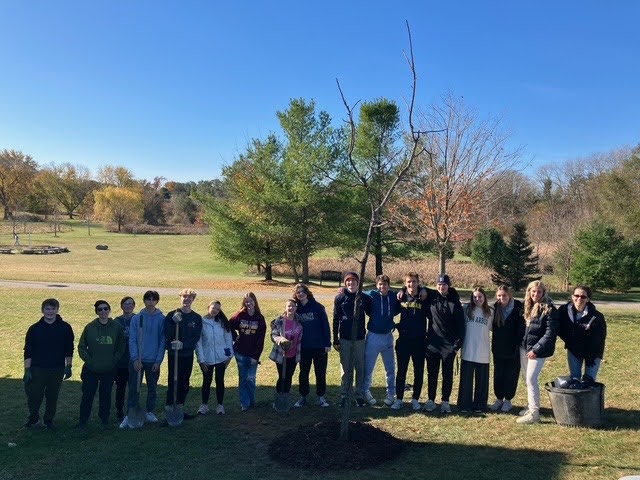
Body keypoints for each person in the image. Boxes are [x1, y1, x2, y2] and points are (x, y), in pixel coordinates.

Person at [23, 298, 74, 429]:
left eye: (53, 309)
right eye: (47, 309)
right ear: (42, 310)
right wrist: (27, 370)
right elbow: (28, 350)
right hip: (37, 368)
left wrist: (69, 365)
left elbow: (69, 348)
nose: (50, 312)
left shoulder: (65, 328)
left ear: (57, 310)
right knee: (34, 396)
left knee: (52, 396)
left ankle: (48, 420)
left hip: (57, 368)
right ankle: (33, 419)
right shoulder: (34, 329)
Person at [119, 290, 165, 429]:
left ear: (157, 301)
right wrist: (134, 358)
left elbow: (162, 340)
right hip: (138, 359)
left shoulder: (161, 319)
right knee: (134, 387)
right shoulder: (137, 318)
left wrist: (158, 360)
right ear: (144, 301)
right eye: (148, 300)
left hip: (153, 360)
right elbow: (132, 340)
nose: (150, 302)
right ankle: (130, 413)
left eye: (153, 300)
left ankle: (149, 411)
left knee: (152, 387)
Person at [78, 300, 125, 429]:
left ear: (109, 310)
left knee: (106, 395)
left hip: (109, 369)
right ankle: (83, 420)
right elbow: (82, 346)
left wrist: (114, 359)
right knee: (88, 395)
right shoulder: (90, 327)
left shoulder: (116, 327)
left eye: (105, 309)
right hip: (91, 369)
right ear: (96, 312)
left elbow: (121, 345)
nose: (103, 311)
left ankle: (104, 419)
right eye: (100, 309)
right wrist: (90, 360)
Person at [517, 280, 558, 424]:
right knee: (526, 379)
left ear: (544, 292)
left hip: (537, 351)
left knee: (531, 379)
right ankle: (530, 406)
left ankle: (534, 413)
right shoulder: (526, 306)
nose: (536, 294)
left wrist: (536, 349)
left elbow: (550, 333)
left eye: (539, 292)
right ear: (529, 292)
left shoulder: (549, 309)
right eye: (533, 291)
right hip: (524, 348)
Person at [424, 274, 465, 414]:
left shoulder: (455, 303)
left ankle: (445, 402)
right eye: (439, 284)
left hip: (448, 346)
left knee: (447, 374)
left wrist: (455, 347)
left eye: (444, 284)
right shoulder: (432, 297)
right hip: (433, 344)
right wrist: (404, 289)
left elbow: (461, 327)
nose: (441, 287)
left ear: (449, 285)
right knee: (432, 373)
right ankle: (430, 400)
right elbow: (417, 287)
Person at [333, 271, 372, 407]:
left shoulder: (363, 298)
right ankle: (345, 394)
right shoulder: (340, 298)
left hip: (360, 338)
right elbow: (335, 318)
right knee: (345, 367)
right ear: (345, 283)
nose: (351, 283)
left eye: (354, 281)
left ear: (358, 282)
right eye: (348, 281)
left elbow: (372, 311)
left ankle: (359, 394)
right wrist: (335, 338)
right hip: (344, 338)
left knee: (360, 366)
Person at [164, 288, 203, 420]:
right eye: (184, 297)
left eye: (189, 297)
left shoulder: (196, 318)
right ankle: (169, 410)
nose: (186, 299)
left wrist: (184, 345)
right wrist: (172, 322)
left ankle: (180, 408)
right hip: (174, 355)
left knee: (184, 382)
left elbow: (196, 337)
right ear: (180, 298)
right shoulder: (172, 315)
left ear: (193, 300)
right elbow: (166, 334)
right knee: (172, 381)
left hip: (187, 355)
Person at [391, 272, 428, 411]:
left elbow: (437, 291)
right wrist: (401, 290)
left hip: (419, 341)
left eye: (413, 281)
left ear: (418, 282)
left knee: (419, 371)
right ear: (405, 283)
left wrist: (424, 289)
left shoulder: (424, 297)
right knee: (401, 371)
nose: (411, 284)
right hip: (404, 341)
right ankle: (399, 399)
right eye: (408, 282)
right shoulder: (401, 297)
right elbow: (391, 305)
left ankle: (415, 400)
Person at [362, 274, 401, 407]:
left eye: (384, 284)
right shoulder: (372, 295)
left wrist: (402, 291)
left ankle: (391, 394)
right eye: (379, 284)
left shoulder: (393, 296)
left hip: (388, 337)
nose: (382, 287)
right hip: (373, 336)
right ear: (376, 285)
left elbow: (404, 293)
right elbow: (358, 292)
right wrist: (343, 290)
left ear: (388, 285)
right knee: (368, 367)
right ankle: (365, 391)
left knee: (390, 368)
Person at [293, 283, 331, 408]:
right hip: (304, 347)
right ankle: (303, 396)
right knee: (303, 372)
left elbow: (325, 325)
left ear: (307, 292)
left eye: (302, 291)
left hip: (319, 346)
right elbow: (286, 318)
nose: (300, 294)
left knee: (320, 372)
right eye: (298, 292)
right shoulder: (296, 309)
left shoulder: (318, 307)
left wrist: (327, 343)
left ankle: (321, 397)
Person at [557, 285, 606, 382]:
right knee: (575, 379)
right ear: (572, 297)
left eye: (583, 297)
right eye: (576, 295)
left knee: (589, 380)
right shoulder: (563, 311)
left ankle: (591, 397)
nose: (579, 298)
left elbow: (600, 339)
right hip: (574, 350)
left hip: (593, 352)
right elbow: (557, 328)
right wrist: (569, 341)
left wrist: (593, 355)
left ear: (588, 299)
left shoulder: (597, 316)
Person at [457, 287, 493, 413]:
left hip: (483, 351)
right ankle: (464, 405)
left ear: (485, 298)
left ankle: (480, 404)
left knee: (482, 381)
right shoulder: (466, 310)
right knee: (466, 381)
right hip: (468, 349)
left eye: (480, 297)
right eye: (475, 297)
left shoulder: (490, 312)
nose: (477, 299)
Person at [489, 285, 525, 413]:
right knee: (498, 374)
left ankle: (508, 400)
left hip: (514, 347)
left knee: (511, 374)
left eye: (504, 295)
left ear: (509, 295)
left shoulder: (519, 307)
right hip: (498, 346)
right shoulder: (494, 307)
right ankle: (499, 399)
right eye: (499, 295)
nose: (501, 298)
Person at [229, 292, 267, 411]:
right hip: (240, 352)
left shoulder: (259, 318)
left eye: (250, 301)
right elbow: (229, 326)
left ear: (255, 302)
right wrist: (235, 337)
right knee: (243, 378)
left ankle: (251, 401)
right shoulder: (239, 315)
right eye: (246, 301)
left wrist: (256, 356)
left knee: (251, 379)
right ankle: (244, 403)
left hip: (253, 354)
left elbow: (261, 339)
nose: (248, 303)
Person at [195, 300, 234, 415]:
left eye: (218, 309)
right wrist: (201, 360)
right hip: (207, 358)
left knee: (219, 381)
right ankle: (204, 405)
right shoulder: (202, 322)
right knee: (207, 381)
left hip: (221, 358)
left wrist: (229, 356)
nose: (215, 311)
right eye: (213, 308)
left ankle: (220, 405)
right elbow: (199, 343)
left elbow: (228, 339)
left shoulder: (222, 322)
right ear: (208, 307)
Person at [269, 298, 303, 403]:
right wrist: (281, 340)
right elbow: (274, 334)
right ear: (285, 307)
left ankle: (286, 398)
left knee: (289, 377)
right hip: (281, 355)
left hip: (293, 355)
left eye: (293, 306)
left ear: (296, 308)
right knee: (282, 377)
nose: (291, 308)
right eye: (289, 306)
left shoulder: (299, 322)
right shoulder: (280, 321)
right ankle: (279, 398)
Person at [114, 296, 136, 422]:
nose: (127, 306)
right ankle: (119, 411)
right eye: (125, 304)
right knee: (120, 387)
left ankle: (132, 409)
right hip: (121, 361)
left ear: (134, 306)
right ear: (121, 306)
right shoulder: (117, 322)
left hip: (134, 360)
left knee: (134, 387)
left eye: (130, 304)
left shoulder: (137, 319)